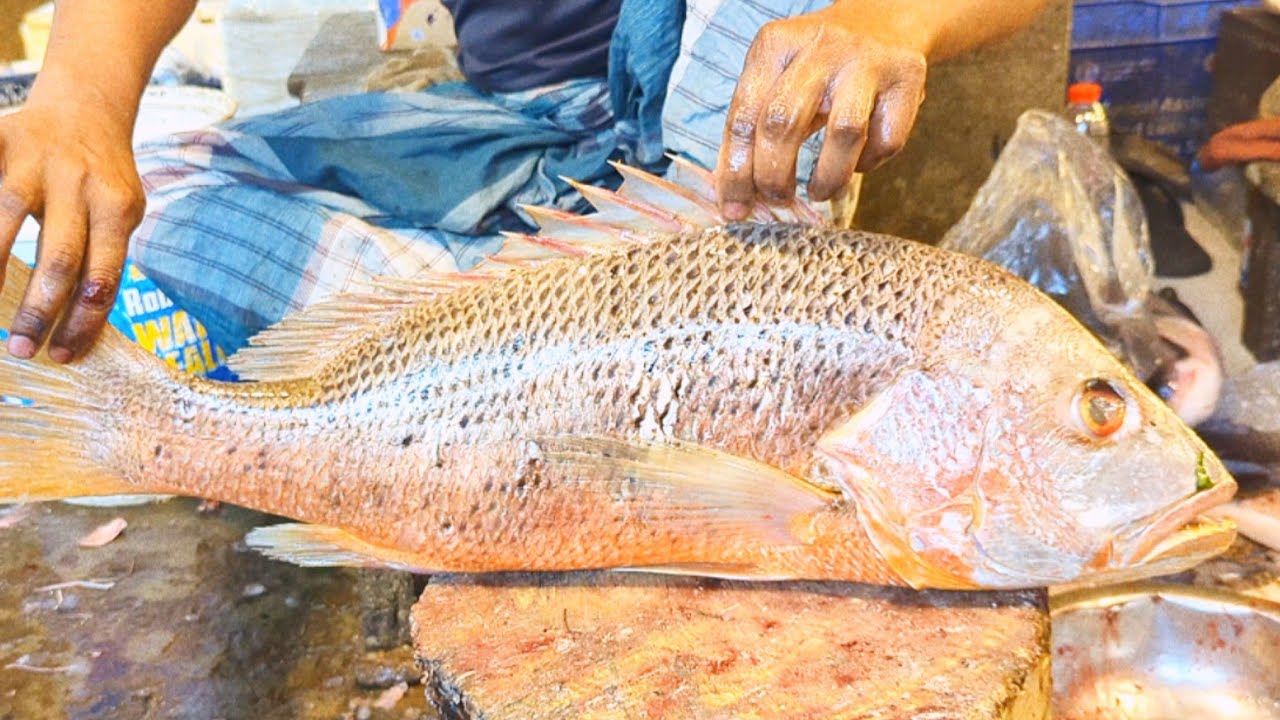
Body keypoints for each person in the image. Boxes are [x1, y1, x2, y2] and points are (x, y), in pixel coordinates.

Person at [0, 0, 1047, 363]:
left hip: (727, 149)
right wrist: (81, 102)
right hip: (520, 131)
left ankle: (664, 340)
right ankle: (494, 363)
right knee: (161, 206)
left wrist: (888, 21)